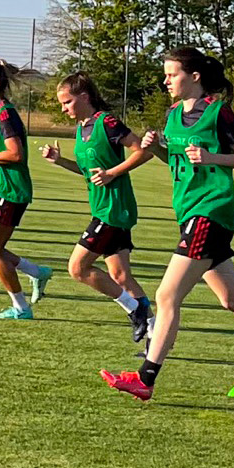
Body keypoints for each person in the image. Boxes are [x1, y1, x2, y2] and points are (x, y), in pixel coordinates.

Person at [101, 48, 234, 403]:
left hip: (212, 213)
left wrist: (212, 156)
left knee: (167, 296)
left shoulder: (217, 111)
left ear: (194, 76)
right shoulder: (171, 115)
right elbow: (178, 163)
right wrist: (157, 149)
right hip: (189, 212)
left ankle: (146, 379)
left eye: (172, 74)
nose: (166, 81)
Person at [40, 73, 153, 341]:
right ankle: (155, 332)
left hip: (112, 210)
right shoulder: (81, 128)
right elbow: (89, 171)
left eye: (67, 102)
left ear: (84, 97)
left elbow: (143, 151)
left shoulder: (108, 123)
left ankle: (134, 308)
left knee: (77, 268)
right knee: (121, 276)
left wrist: (113, 172)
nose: (63, 108)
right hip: (104, 208)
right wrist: (60, 161)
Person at [0, 60, 53, 319]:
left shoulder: (6, 113)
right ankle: (37, 272)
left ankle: (21, 309)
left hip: (11, 191)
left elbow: (16, 154)